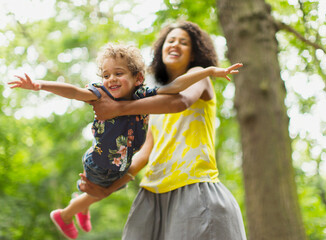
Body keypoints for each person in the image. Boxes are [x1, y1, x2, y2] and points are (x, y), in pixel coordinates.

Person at [8, 42, 242, 240]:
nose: (111, 80)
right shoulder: (101, 94)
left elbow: (176, 88)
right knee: (100, 188)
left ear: (138, 78)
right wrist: (40, 85)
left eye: (118, 74)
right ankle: (76, 204)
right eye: (106, 75)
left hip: (120, 164)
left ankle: (76, 206)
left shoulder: (143, 95)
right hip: (98, 164)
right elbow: (74, 92)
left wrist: (210, 71)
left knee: (116, 185)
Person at [79, 21, 247, 240]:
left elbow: (180, 103)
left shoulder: (200, 75)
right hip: (152, 196)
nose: (175, 44)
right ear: (161, 49)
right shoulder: (151, 100)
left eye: (184, 42)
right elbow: (143, 155)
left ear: (194, 54)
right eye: (171, 40)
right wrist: (108, 189)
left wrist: (117, 109)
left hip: (194, 190)